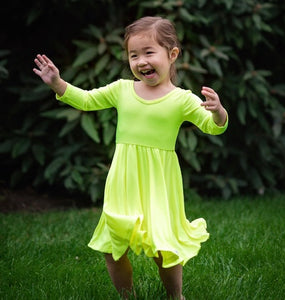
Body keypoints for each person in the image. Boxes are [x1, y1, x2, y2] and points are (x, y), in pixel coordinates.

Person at [33, 16, 228, 300]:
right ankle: (128, 297)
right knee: (112, 249)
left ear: (172, 55)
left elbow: (213, 127)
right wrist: (58, 83)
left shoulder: (182, 99)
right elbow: (87, 100)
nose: (140, 61)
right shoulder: (122, 90)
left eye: (149, 52)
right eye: (133, 55)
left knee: (164, 251)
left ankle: (176, 296)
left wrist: (218, 111)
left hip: (159, 184)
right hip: (124, 181)